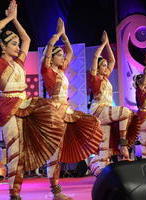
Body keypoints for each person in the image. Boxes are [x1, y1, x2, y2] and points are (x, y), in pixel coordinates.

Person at [0, 1, 65, 199]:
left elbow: (26, 39)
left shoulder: (18, 62)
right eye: (13, 43)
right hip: (8, 109)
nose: (18, 46)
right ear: (2, 45)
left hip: (25, 106)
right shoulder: (1, 63)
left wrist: (16, 20)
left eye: (17, 44)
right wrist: (9, 18)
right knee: (14, 154)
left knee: (53, 137)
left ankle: (55, 190)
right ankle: (14, 194)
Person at [41, 18, 103, 200]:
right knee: (55, 152)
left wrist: (65, 36)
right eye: (58, 55)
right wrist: (57, 36)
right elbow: (48, 53)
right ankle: (56, 192)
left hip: (66, 110)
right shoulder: (47, 70)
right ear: (51, 57)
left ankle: (97, 167)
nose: (62, 57)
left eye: (61, 56)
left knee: (89, 127)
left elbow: (69, 52)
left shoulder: (60, 71)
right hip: (54, 112)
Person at [88, 31, 138, 176]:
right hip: (99, 110)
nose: (105, 67)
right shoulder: (95, 79)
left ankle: (97, 168)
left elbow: (112, 61)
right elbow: (96, 57)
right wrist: (102, 45)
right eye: (102, 65)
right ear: (97, 68)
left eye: (105, 65)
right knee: (125, 112)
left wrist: (108, 44)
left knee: (104, 152)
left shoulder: (105, 78)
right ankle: (123, 146)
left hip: (106, 113)